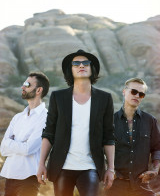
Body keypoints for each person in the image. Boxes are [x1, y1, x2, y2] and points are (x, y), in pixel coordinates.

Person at [37, 49, 115, 196]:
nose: (81, 65)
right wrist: (41, 164)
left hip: (90, 166)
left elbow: (109, 136)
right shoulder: (58, 97)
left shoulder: (105, 98)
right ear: (70, 70)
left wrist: (110, 168)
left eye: (86, 63)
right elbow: (49, 133)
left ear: (92, 69)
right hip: (62, 167)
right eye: (76, 63)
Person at [107, 77, 160, 196]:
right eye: (134, 91)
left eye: (141, 94)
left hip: (142, 185)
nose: (137, 96)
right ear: (124, 91)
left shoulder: (150, 121)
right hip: (116, 186)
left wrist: (155, 170)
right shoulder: (110, 121)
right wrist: (108, 169)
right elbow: (99, 149)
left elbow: (157, 148)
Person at [0, 72, 50, 196]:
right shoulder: (18, 117)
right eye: (23, 84)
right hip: (10, 175)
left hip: (29, 178)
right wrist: (19, 144)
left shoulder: (45, 117)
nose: (23, 87)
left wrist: (11, 143)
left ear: (39, 90)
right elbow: (3, 148)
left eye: (27, 84)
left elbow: (29, 149)